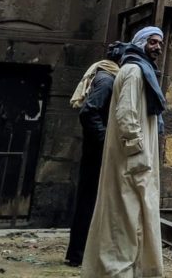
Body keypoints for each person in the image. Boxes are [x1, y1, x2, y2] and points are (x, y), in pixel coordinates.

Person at [82, 26, 167, 278]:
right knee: (124, 217)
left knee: (136, 216)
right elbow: (126, 114)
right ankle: (116, 271)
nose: (158, 48)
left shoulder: (141, 71)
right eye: (153, 42)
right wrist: (136, 150)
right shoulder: (133, 71)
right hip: (132, 159)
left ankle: (134, 270)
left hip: (137, 158)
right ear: (141, 43)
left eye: (160, 43)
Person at [65, 41, 125, 267]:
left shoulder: (104, 75)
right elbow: (89, 112)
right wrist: (105, 140)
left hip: (94, 148)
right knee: (89, 200)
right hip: (96, 150)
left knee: (89, 199)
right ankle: (79, 253)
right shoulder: (107, 80)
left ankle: (79, 253)